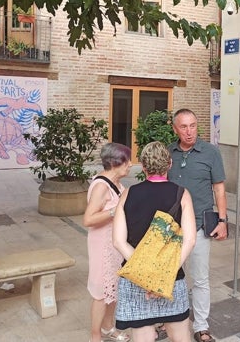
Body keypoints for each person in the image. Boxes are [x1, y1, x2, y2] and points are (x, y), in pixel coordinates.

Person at [113, 141, 196, 342]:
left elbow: (118, 240)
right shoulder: (182, 194)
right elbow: (190, 240)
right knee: (181, 337)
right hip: (171, 278)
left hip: (135, 279)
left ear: (143, 166)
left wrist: (146, 273)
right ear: (169, 164)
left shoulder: (128, 194)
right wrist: (161, 276)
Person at [167, 109, 226, 342]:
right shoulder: (169, 153)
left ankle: (201, 326)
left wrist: (222, 220)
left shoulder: (211, 152)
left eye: (193, 125)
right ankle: (167, 319)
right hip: (172, 227)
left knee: (200, 278)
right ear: (175, 129)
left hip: (200, 225)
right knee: (169, 275)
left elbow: (219, 189)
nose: (189, 131)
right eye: (184, 127)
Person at [83, 143, 133, 342]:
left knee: (113, 287)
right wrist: (116, 210)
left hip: (114, 245)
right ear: (114, 163)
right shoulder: (101, 186)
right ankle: (95, 337)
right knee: (101, 292)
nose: (130, 165)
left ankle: (108, 328)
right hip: (102, 245)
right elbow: (88, 219)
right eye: (127, 161)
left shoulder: (119, 184)